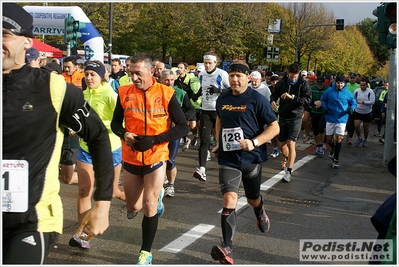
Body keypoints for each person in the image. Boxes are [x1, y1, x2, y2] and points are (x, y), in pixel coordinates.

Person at [3, 3, 114, 264]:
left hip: (32, 220)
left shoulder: (53, 89)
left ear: (27, 41)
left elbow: (98, 137)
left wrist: (103, 202)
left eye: (4, 34)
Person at [111, 53, 188, 264]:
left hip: (156, 154)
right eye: (130, 73)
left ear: (151, 72)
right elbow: (115, 124)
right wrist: (123, 134)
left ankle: (145, 253)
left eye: (138, 73)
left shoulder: (166, 93)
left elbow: (182, 127)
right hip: (132, 155)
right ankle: (155, 198)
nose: (134, 78)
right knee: (133, 207)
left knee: (149, 204)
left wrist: (155, 140)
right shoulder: (123, 91)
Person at [210, 61, 279, 265]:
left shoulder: (256, 99)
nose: (234, 79)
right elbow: (220, 120)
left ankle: (259, 210)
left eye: (239, 75)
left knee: (252, 198)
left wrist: (254, 142)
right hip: (228, 157)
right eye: (232, 75)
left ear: (248, 78)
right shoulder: (223, 98)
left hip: (251, 157)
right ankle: (227, 247)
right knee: (229, 199)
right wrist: (218, 141)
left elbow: (274, 127)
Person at [72, 61, 127, 249]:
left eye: (92, 75)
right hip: (86, 148)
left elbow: (121, 122)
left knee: (111, 191)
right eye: (86, 74)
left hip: (109, 149)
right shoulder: (83, 94)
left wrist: (99, 126)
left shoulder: (111, 95)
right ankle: (82, 234)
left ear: (101, 76)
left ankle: (139, 199)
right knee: (84, 191)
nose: (88, 78)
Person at [270, 63, 312, 182]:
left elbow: (308, 99)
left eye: (295, 76)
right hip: (283, 115)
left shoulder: (303, 84)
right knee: (282, 144)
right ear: (287, 73)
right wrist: (273, 101)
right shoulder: (282, 83)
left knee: (291, 143)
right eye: (291, 76)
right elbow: (274, 94)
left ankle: (288, 171)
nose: (293, 78)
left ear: (299, 74)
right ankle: (286, 157)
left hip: (296, 116)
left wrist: (292, 97)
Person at [193, 49, 230, 182]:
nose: (207, 65)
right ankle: (202, 169)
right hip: (205, 110)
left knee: (222, 139)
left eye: (210, 63)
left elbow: (233, 89)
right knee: (204, 140)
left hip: (219, 110)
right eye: (205, 63)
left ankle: (228, 168)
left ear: (215, 63)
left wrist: (219, 90)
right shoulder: (201, 74)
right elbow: (202, 91)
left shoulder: (222, 74)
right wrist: (195, 95)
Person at [160, 69, 196, 197]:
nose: (169, 82)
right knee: (157, 160)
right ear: (160, 80)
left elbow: (192, 110)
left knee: (170, 160)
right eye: (166, 80)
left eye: (171, 80)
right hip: (157, 131)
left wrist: (181, 119)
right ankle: (158, 184)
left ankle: (171, 185)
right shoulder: (155, 92)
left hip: (173, 133)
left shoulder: (180, 93)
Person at [321, 75, 357, 168]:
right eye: (338, 83)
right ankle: (333, 149)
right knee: (329, 139)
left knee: (338, 139)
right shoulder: (329, 91)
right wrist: (325, 108)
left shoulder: (348, 93)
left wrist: (352, 109)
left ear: (344, 83)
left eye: (341, 83)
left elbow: (353, 102)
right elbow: (323, 99)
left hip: (342, 118)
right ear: (335, 83)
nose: (340, 85)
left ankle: (336, 159)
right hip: (330, 117)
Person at [353, 78, 375, 148]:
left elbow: (372, 101)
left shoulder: (370, 91)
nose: (362, 87)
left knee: (366, 127)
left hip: (367, 112)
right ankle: (359, 138)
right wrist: (353, 106)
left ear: (366, 85)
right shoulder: (356, 91)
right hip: (358, 111)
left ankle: (365, 139)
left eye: (364, 85)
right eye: (361, 85)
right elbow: (353, 99)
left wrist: (363, 102)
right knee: (356, 125)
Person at [310, 76, 329, 155]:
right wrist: (314, 103)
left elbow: (330, 100)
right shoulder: (312, 88)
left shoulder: (328, 89)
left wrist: (322, 103)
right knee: (315, 130)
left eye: (321, 84)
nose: (320, 86)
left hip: (323, 112)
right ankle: (318, 145)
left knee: (321, 128)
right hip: (314, 111)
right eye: (318, 84)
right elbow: (308, 99)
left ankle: (321, 145)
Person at [345, 72, 360, 144]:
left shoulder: (358, 86)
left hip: (354, 107)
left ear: (356, 78)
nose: (352, 79)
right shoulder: (345, 85)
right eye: (351, 78)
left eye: (353, 78)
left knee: (353, 123)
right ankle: (348, 132)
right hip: (345, 106)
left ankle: (350, 137)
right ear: (349, 78)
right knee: (347, 123)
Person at [269, 74, 281, 157]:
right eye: (273, 81)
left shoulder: (283, 89)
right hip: (271, 113)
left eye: (277, 81)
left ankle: (283, 146)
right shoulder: (268, 89)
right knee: (272, 133)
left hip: (281, 113)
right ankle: (275, 149)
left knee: (279, 134)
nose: (275, 83)